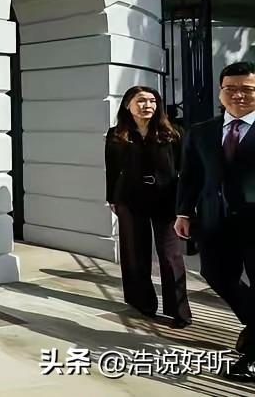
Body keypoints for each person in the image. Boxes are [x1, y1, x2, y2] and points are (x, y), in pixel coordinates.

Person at [176, 61, 255, 381]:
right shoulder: (201, 131)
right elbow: (190, 176)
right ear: (220, 92)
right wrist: (183, 212)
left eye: (247, 89)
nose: (238, 95)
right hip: (214, 219)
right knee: (215, 273)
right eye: (230, 89)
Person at [104, 86, 191, 328]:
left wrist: (184, 205)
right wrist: (112, 198)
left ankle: (179, 311)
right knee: (134, 251)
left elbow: (186, 170)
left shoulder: (173, 132)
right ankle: (141, 302)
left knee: (171, 254)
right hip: (129, 199)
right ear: (128, 105)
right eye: (141, 100)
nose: (148, 105)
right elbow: (112, 169)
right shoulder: (116, 134)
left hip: (165, 198)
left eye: (152, 101)